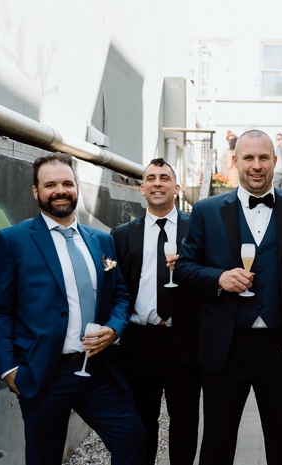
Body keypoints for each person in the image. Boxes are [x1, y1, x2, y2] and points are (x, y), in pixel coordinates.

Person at [175, 129, 282, 465]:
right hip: (225, 347)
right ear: (235, 161)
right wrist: (219, 277)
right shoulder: (207, 210)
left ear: (275, 161)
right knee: (216, 445)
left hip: (281, 346)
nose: (256, 165)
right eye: (249, 158)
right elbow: (183, 269)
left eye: (263, 158)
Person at [0, 153, 146, 465]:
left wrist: (113, 328)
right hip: (43, 373)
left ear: (76, 188)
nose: (60, 190)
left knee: (133, 440)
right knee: (44, 458)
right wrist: (9, 370)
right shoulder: (12, 241)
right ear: (36, 191)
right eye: (50, 184)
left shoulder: (101, 241)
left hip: (98, 371)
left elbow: (121, 296)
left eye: (67, 183)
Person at [111, 158, 200, 465]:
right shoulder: (123, 234)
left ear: (176, 188)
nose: (157, 183)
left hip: (185, 340)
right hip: (139, 341)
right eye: (151, 178)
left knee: (186, 422)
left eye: (164, 178)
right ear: (142, 188)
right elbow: (117, 288)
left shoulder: (196, 228)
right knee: (141, 423)